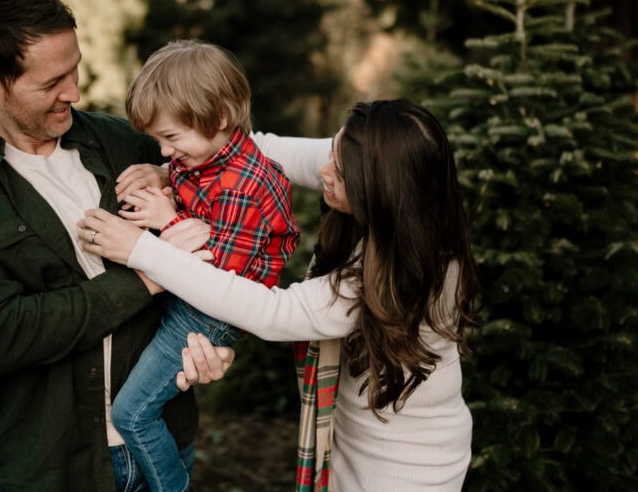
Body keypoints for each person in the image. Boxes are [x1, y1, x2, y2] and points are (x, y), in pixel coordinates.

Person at [0, 0, 230, 492]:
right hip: (50, 466)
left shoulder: (128, 144)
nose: (73, 92)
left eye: (74, 69)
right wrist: (151, 272)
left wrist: (212, 345)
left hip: (162, 444)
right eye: (50, 82)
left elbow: (222, 226)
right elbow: (4, 334)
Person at [78, 99, 478, 491]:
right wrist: (173, 168)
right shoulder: (382, 172)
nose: (323, 170)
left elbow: (271, 310)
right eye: (330, 152)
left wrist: (142, 250)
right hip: (349, 442)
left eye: (339, 174)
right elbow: (253, 149)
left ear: (380, 195)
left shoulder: (402, 280)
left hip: (408, 471)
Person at [104, 39, 299, 492]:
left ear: (221, 119)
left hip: (207, 313)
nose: (166, 152)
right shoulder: (208, 158)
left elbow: (220, 278)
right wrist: (164, 179)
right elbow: (189, 182)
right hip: (189, 301)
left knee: (131, 414)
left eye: (171, 139)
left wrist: (165, 220)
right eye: (157, 141)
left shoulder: (244, 185)